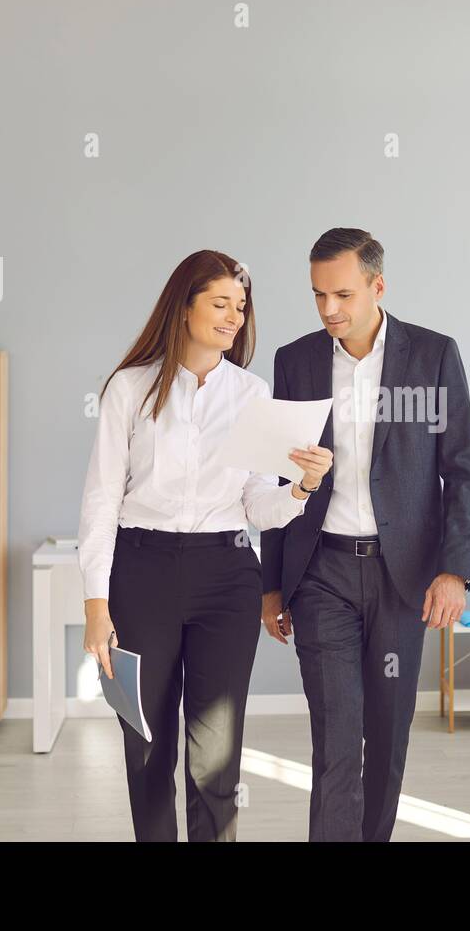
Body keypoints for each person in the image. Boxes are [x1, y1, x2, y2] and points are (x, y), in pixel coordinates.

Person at [77, 249, 333, 842]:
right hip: (140, 574)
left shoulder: (251, 392)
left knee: (215, 756)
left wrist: (303, 486)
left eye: (240, 308)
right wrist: (96, 604)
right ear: (183, 304)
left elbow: (257, 507)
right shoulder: (130, 388)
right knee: (145, 747)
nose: (232, 318)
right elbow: (99, 501)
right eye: (220, 304)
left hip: (226, 576)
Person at [261, 228, 470, 841]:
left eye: (342, 294)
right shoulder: (296, 361)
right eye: (317, 296)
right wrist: (271, 586)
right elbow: (278, 478)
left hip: (403, 578)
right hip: (321, 575)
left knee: (386, 735)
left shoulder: (433, 356)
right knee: (336, 739)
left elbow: (463, 470)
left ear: (377, 286)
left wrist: (454, 570)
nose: (329, 309)